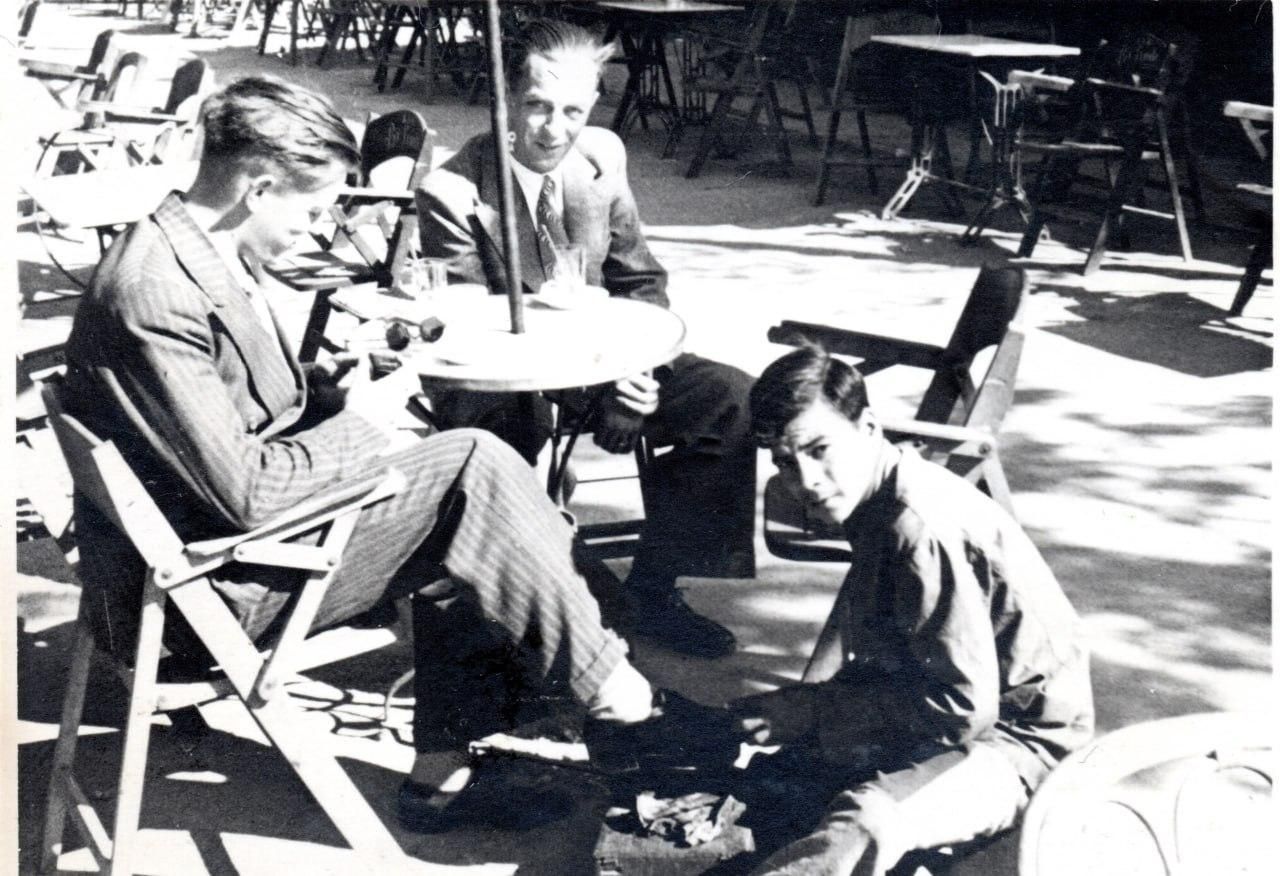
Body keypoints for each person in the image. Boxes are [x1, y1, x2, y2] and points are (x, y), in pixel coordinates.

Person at [58, 75, 706, 833]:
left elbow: (227, 421)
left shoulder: (189, 252)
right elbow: (246, 494)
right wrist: (360, 422)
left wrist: (326, 391)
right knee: (476, 469)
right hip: (196, 598)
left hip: (209, 555)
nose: (321, 231)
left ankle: (465, 765)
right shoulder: (154, 292)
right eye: (312, 209)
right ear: (258, 189)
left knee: (474, 498)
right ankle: (623, 703)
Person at [415, 19, 756, 659]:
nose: (554, 128)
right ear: (503, 100)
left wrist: (638, 379)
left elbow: (642, 281)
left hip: (605, 362)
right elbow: (467, 329)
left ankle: (654, 590)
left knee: (729, 397)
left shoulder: (600, 160)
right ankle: (530, 622)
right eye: (536, 106)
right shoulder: (453, 192)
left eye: (573, 109)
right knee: (503, 439)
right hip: (509, 375)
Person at [734, 345, 1095, 875]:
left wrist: (819, 711)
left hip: (1024, 747)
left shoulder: (918, 525)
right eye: (787, 462)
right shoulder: (878, 493)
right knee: (775, 779)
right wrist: (812, 705)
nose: (805, 480)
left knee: (867, 821)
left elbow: (963, 710)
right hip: (961, 709)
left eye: (819, 449)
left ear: (870, 427)